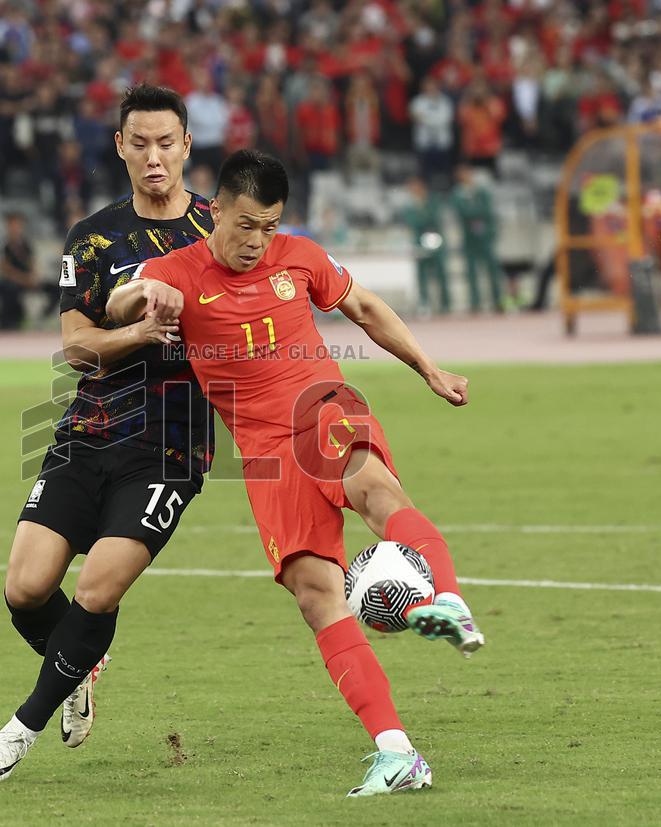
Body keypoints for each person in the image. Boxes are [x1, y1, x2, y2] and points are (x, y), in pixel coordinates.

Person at [107, 149, 484, 798]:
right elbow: (116, 303)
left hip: (319, 406)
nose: (257, 241)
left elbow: (364, 309)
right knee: (316, 595)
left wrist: (429, 367)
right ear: (216, 210)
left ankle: (445, 595)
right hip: (263, 455)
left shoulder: (301, 257)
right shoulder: (177, 270)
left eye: (270, 226)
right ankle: (397, 752)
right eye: (245, 224)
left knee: (373, 489)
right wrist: (144, 293)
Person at [0, 85, 216, 784]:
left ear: (187, 146)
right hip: (89, 429)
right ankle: (75, 670)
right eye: (139, 143)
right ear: (119, 147)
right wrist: (140, 328)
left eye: (166, 142)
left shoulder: (218, 230)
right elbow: (77, 346)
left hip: (171, 442)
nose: (154, 156)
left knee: (98, 589)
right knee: (25, 587)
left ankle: (22, 727)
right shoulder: (93, 236)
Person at [450, 165, 506, 313]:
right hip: (469, 238)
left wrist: (475, 214)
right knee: (472, 271)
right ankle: (475, 302)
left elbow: (487, 211)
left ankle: (497, 300)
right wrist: (476, 213)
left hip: (485, 236)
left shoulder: (482, 192)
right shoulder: (458, 194)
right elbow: (463, 213)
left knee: (492, 270)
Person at [400, 178, 451, 315]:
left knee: (441, 274)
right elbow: (413, 222)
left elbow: (434, 218)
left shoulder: (432, 202)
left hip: (436, 241)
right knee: (422, 275)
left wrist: (423, 216)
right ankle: (425, 303)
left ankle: (446, 303)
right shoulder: (410, 206)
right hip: (419, 244)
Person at [0, 211, 42, 329]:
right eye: (13, 225)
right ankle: (12, 321)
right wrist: (23, 279)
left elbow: (32, 263)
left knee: (55, 287)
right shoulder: (4, 245)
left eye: (18, 225)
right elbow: (5, 269)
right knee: (10, 289)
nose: (16, 228)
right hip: (12, 279)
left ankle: (44, 316)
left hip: (26, 278)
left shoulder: (26, 244)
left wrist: (33, 276)